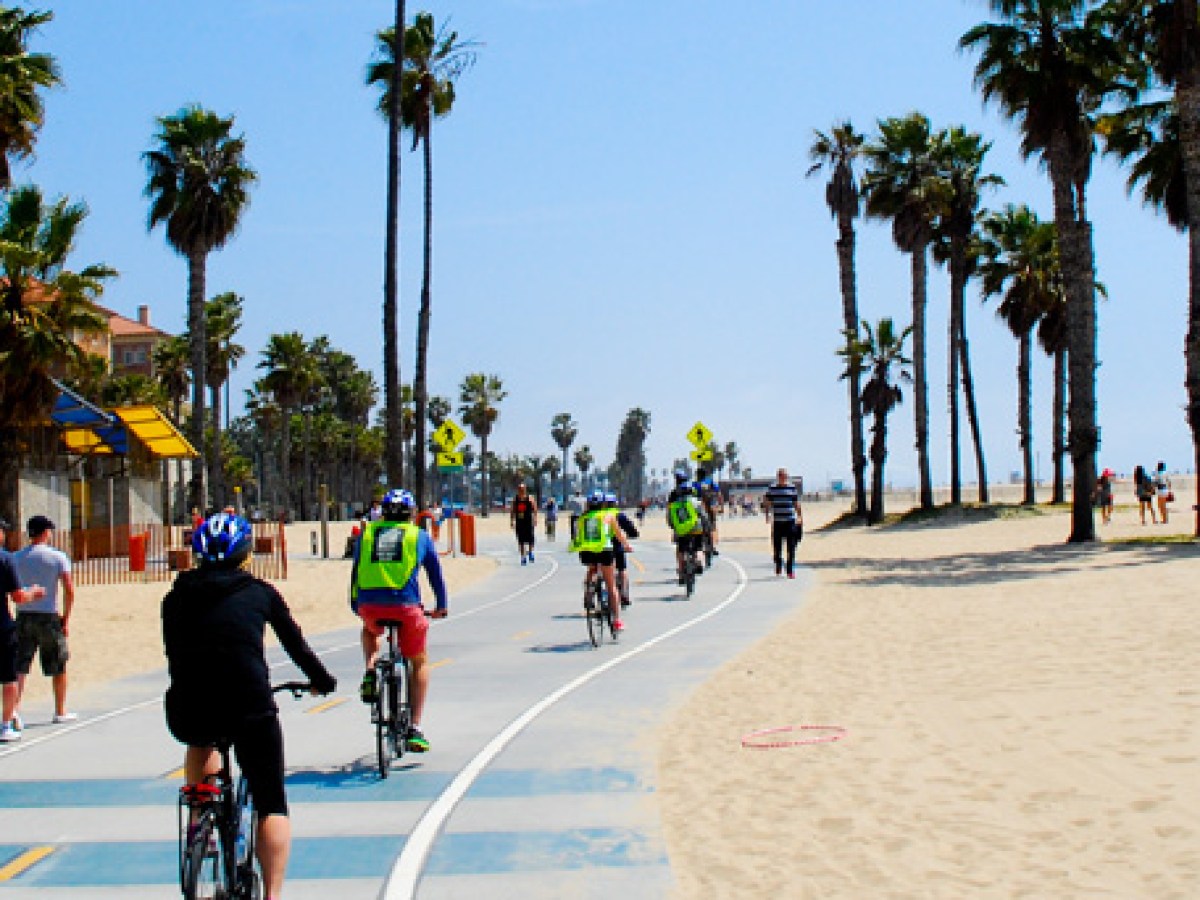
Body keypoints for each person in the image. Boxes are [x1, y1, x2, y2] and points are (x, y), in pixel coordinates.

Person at [162, 512, 336, 900]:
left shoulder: (175, 597)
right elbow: (296, 646)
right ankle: (272, 895)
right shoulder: (260, 593)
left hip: (190, 708)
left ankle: (199, 818)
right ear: (245, 555)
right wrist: (322, 681)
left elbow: (175, 655)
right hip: (248, 706)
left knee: (202, 739)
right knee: (271, 803)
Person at [351, 488, 448, 752]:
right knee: (419, 660)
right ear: (412, 514)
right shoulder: (418, 536)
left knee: (370, 631)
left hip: (369, 604)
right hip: (405, 606)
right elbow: (435, 575)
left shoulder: (367, 534)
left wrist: (357, 605)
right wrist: (441, 605)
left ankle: (370, 670)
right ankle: (415, 727)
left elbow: (356, 572)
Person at [11, 516, 76, 726]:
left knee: (20, 666)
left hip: (24, 614)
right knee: (58, 664)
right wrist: (66, 618)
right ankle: (60, 710)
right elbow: (69, 589)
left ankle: (14, 710)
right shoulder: (57, 557)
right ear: (46, 532)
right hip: (48, 615)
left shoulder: (17, 557)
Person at [0, 518, 45, 742]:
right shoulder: (5, 559)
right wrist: (33, 593)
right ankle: (5, 724)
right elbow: (18, 596)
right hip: (1, 625)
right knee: (8, 677)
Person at [569, 490, 633, 630]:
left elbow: (576, 536)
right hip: (605, 551)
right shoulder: (608, 516)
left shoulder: (582, 518)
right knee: (611, 585)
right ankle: (617, 621)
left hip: (587, 552)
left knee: (592, 569)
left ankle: (589, 593)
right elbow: (619, 534)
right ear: (603, 504)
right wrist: (626, 546)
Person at [666, 471, 707, 585]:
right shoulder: (695, 501)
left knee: (680, 550)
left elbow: (670, 516)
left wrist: (672, 526)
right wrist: (705, 526)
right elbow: (703, 515)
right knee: (698, 548)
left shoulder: (673, 499)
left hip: (681, 529)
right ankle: (699, 561)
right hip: (696, 528)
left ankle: (681, 573)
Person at [762, 468, 803, 578]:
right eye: (780, 475)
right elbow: (767, 503)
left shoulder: (792, 488)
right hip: (777, 521)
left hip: (790, 521)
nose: (783, 477)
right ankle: (778, 563)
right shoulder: (772, 488)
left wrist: (800, 516)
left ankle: (790, 570)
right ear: (778, 477)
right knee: (777, 547)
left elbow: (796, 503)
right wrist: (767, 515)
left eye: (784, 475)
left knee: (791, 546)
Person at [604, 493, 639, 607]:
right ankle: (624, 594)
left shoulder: (599, 515)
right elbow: (631, 529)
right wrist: (633, 534)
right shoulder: (618, 515)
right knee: (622, 570)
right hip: (616, 546)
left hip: (601, 547)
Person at [694, 467, 723, 559]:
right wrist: (721, 506)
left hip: (698, 508)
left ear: (698, 475)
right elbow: (719, 494)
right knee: (713, 527)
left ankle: (697, 544)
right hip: (710, 507)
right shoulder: (710, 482)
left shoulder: (695, 484)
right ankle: (713, 547)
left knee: (696, 525)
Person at [510, 483, 538, 564]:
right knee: (521, 540)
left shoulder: (530, 498)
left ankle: (531, 552)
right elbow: (512, 511)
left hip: (528, 521)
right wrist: (512, 521)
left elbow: (535, 509)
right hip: (520, 522)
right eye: (520, 489)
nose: (521, 490)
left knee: (530, 538)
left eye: (523, 489)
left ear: (525, 489)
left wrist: (535, 518)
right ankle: (523, 557)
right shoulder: (515, 500)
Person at [1154, 461, 1172, 525]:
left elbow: (1156, 483)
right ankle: (1165, 519)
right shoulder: (1165, 473)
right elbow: (1169, 482)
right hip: (1165, 489)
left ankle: (1164, 519)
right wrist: (1169, 490)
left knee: (1160, 505)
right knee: (1163, 505)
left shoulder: (1157, 473)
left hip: (1160, 490)